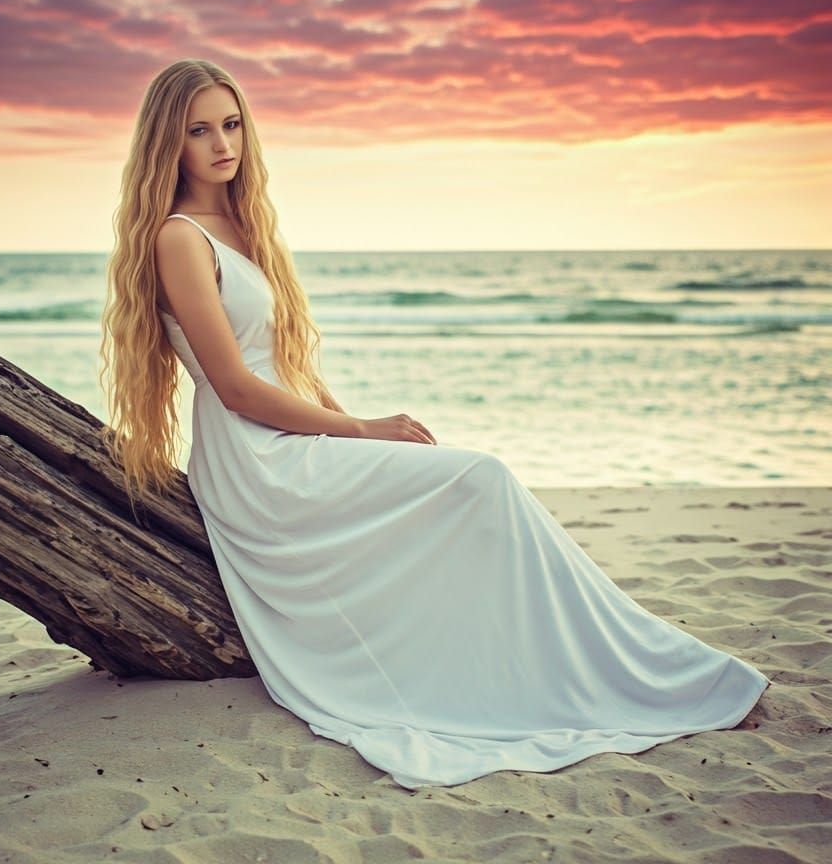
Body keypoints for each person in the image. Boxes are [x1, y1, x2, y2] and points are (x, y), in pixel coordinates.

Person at [99, 58, 770, 789]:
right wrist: (360, 430)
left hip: (297, 437)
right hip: (257, 462)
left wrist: (340, 418)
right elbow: (234, 387)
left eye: (231, 125)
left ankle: (566, 664)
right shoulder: (178, 238)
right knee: (480, 477)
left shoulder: (244, 222)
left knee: (476, 489)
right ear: (171, 141)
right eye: (200, 131)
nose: (221, 144)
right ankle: (563, 672)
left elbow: (287, 362)